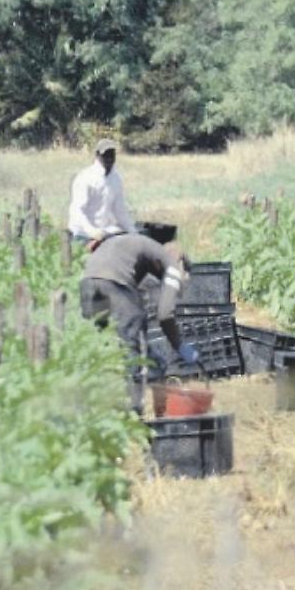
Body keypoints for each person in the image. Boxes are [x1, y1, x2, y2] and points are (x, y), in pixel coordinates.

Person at [80, 233, 198, 415]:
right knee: (135, 351)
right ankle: (135, 414)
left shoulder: (142, 250)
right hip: (114, 282)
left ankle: (93, 408)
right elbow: (165, 313)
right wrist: (179, 345)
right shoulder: (174, 265)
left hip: (88, 281)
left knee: (100, 346)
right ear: (182, 264)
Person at [67, 138, 135, 242]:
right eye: (105, 155)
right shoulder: (85, 178)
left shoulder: (116, 178)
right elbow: (77, 210)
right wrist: (91, 231)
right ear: (98, 155)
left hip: (104, 232)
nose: (109, 158)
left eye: (111, 154)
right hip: (83, 233)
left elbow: (119, 210)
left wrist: (132, 230)